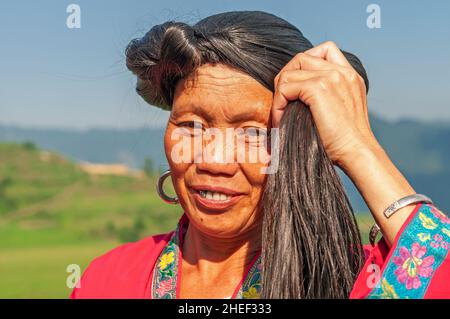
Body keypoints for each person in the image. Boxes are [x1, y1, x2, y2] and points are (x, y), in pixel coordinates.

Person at [70, 11, 450, 299]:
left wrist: (357, 146)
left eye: (253, 134)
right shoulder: (108, 279)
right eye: (192, 126)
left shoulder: (357, 279)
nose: (213, 162)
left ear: (298, 147)